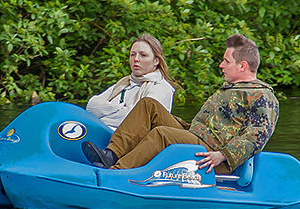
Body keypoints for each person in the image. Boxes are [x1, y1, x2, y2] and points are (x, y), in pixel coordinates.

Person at [81, 33, 277, 174]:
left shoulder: (261, 96)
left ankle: (117, 173)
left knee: (163, 134)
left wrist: (223, 155)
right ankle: (111, 155)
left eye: (226, 61)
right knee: (148, 105)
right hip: (196, 136)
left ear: (242, 66)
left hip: (213, 155)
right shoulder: (230, 89)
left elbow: (256, 136)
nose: (221, 65)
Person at [84, 33, 177, 130]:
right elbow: (92, 108)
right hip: (103, 132)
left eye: (143, 55)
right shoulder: (123, 83)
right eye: (132, 54)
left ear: (156, 61)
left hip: (133, 139)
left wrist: (106, 114)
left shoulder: (161, 87)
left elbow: (137, 119)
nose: (136, 59)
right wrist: (121, 110)